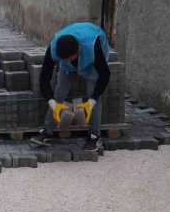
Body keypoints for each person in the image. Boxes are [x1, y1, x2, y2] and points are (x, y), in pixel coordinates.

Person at [30, 22, 111, 152]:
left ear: (78, 49)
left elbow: (105, 75)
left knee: (92, 91)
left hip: (92, 56)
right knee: (59, 92)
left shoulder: (93, 47)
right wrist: (52, 102)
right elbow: (44, 78)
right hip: (75, 51)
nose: (68, 61)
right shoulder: (54, 48)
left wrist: (92, 101)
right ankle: (47, 132)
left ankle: (95, 135)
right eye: (64, 59)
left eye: (70, 58)